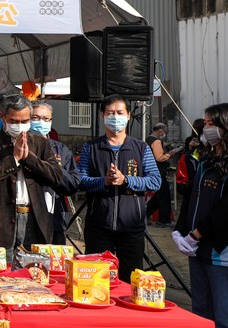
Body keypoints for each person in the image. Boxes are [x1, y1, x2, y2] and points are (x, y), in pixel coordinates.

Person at [77, 94, 161, 282]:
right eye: (110, 113)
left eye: (120, 112)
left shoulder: (141, 148)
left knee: (129, 281)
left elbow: (155, 181)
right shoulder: (90, 148)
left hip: (132, 227)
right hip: (99, 224)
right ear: (102, 115)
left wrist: (127, 180)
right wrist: (103, 182)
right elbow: (80, 180)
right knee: (96, 280)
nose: (115, 117)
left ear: (129, 115)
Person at [173, 103, 228, 328]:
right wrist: (180, 229)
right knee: (200, 314)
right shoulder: (205, 161)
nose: (205, 128)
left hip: (220, 252)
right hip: (197, 249)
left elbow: (224, 211)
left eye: (210, 123)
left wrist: (197, 234)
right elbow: (191, 199)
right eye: (204, 123)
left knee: (222, 321)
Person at [0, 96, 65, 258]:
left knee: (33, 270)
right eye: (14, 121)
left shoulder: (40, 143)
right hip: (2, 221)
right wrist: (13, 159)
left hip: (34, 218)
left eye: (24, 121)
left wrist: (29, 158)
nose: (20, 126)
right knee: (3, 273)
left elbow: (56, 177)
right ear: (3, 118)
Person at [28, 101, 81, 245]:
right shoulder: (21, 148)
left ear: (51, 122)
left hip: (54, 218)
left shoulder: (61, 150)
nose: (41, 122)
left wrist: (51, 168)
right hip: (25, 219)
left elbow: (73, 184)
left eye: (46, 119)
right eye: (36, 118)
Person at [146, 122, 180, 226]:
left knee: (158, 196)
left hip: (152, 170)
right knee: (164, 196)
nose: (164, 135)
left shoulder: (148, 139)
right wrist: (170, 154)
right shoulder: (156, 141)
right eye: (164, 132)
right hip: (158, 171)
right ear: (160, 131)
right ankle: (164, 220)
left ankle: (144, 213)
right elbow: (159, 157)